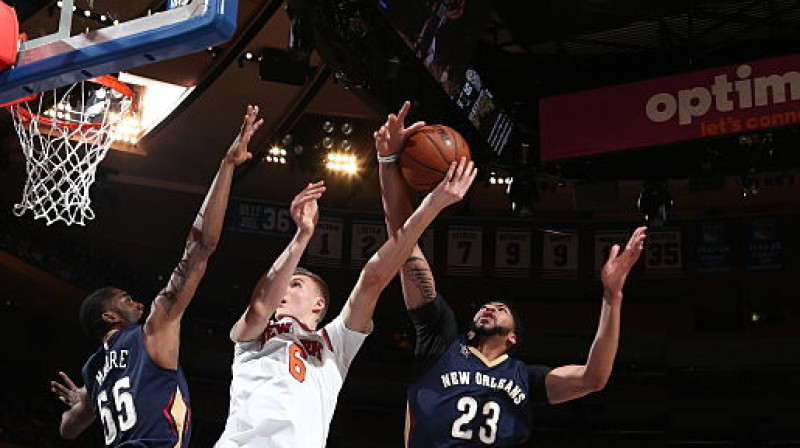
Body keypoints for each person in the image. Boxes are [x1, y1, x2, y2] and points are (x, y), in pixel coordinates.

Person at [374, 101, 648, 447]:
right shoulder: (439, 340)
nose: (489, 307)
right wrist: (387, 162)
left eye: (500, 308)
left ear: (513, 339)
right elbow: (404, 246)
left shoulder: (523, 378)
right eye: (487, 306)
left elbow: (594, 378)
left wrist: (613, 297)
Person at [214, 159, 477, 446]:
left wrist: (432, 205)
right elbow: (260, 307)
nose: (283, 289)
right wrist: (302, 236)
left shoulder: (334, 345)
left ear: (318, 305)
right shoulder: (251, 338)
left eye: (296, 284)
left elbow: (372, 279)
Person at [49, 105, 265, 447]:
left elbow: (67, 429)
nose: (135, 300)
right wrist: (227, 165)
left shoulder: (94, 371)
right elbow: (200, 247)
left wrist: (83, 403)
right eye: (124, 299)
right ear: (109, 315)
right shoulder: (152, 329)